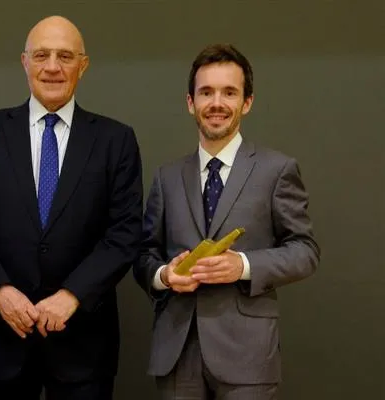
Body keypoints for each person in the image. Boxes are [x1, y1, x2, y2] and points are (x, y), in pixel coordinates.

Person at [0, 15, 143, 400]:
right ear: (24, 62)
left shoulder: (116, 140)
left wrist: (72, 296)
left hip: (82, 344)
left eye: (65, 56)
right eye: (42, 55)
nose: (52, 67)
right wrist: (0, 291)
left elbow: (125, 233)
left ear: (83, 65)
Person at [133, 43, 320, 399]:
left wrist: (244, 265)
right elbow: (144, 255)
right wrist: (163, 276)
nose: (216, 103)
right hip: (177, 353)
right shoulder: (166, 177)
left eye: (229, 92)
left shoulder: (277, 170)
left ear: (247, 102)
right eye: (206, 92)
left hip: (248, 356)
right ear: (191, 103)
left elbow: (306, 250)